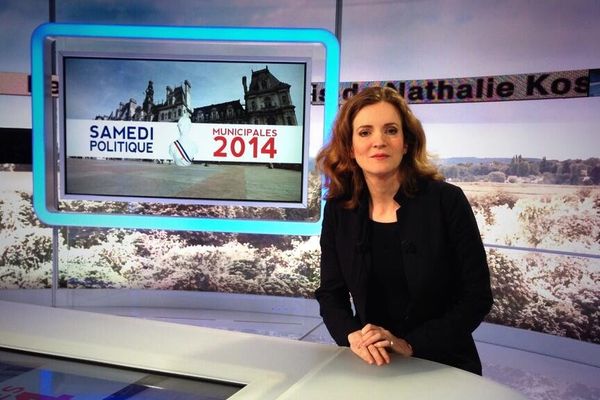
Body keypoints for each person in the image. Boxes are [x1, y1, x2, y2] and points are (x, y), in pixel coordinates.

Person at [315, 86, 493, 375]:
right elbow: (330, 294)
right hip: (372, 362)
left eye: (391, 130)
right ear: (350, 147)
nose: (378, 142)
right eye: (365, 132)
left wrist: (409, 344)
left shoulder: (447, 201)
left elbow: (476, 297)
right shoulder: (339, 209)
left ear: (406, 143)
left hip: (443, 362)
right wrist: (353, 336)